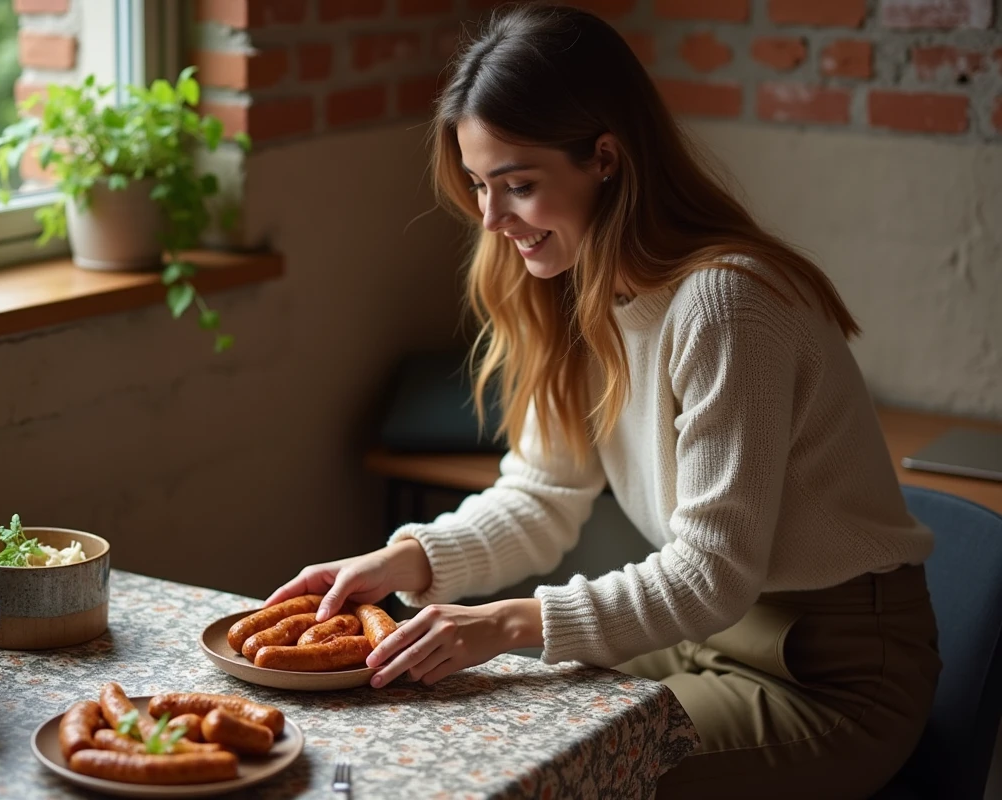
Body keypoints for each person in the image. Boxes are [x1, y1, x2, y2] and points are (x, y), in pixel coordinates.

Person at [265, 4, 940, 797]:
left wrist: (507, 622)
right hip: (704, 637)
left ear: (606, 159)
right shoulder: (573, 284)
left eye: (517, 185)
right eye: (480, 185)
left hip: (824, 676)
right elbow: (545, 493)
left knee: (544, 771)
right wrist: (406, 559)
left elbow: (710, 575)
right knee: (471, 719)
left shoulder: (726, 305)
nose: (491, 218)